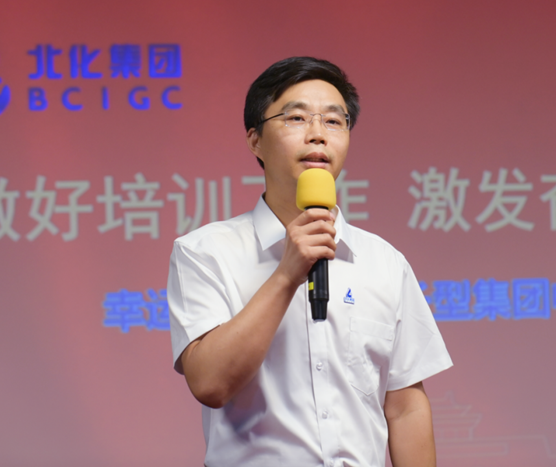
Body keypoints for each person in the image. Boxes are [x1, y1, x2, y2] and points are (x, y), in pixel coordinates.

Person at [167, 56, 453, 467]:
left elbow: (405, 406)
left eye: (334, 121)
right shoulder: (205, 252)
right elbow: (210, 384)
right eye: (296, 118)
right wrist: (286, 274)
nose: (318, 134)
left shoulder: (384, 261)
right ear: (255, 141)